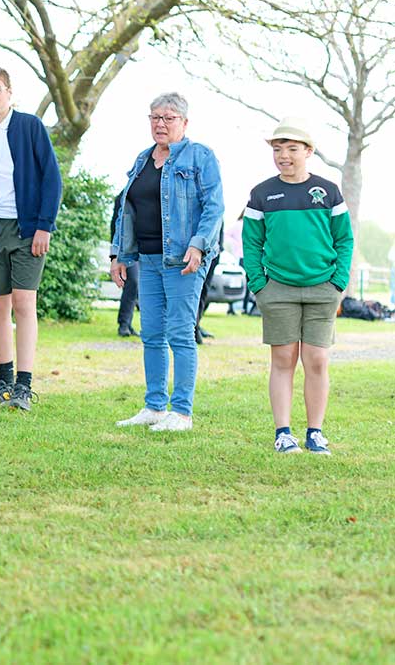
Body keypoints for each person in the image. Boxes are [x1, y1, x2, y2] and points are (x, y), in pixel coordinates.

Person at [111, 92, 224, 432]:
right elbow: (125, 209)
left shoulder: (200, 156)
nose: (160, 123)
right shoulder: (143, 158)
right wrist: (119, 254)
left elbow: (214, 206)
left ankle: (182, 413)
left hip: (183, 260)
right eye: (154, 117)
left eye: (168, 118)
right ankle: (155, 406)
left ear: (184, 123)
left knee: (179, 332)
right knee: (152, 334)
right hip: (147, 257)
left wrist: (199, 246)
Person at [242, 118, 353, 455]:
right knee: (284, 359)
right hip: (278, 289)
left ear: (308, 151)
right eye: (278, 150)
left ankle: (315, 432)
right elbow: (251, 244)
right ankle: (283, 433)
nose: (284, 156)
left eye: (292, 149)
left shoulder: (328, 191)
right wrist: (259, 284)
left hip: (323, 288)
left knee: (317, 359)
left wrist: (339, 281)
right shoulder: (262, 194)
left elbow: (344, 239)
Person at [0, 65, 63, 412]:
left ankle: (24, 385)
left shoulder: (29, 127)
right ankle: (3, 382)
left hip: (28, 229)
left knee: (24, 303)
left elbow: (52, 178)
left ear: (10, 92)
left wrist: (44, 226)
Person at [110, 187, 139, 337]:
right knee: (132, 281)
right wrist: (115, 255)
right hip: (127, 248)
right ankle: (124, 324)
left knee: (138, 286)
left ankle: (128, 322)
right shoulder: (123, 196)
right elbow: (115, 227)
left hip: (145, 247)